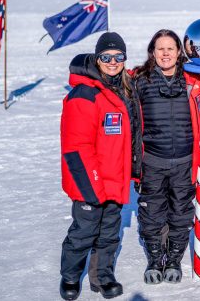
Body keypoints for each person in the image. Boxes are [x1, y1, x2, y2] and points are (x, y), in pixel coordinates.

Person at [59, 32, 142, 300]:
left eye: (118, 57)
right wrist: (92, 185)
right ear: (97, 59)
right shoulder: (85, 94)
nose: (113, 61)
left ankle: (102, 276)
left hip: (115, 180)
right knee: (83, 233)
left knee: (108, 234)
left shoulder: (124, 90)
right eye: (106, 56)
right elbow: (76, 147)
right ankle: (70, 277)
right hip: (90, 181)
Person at [133, 29, 200, 284]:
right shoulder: (140, 80)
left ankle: (173, 259)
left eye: (170, 48)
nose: (165, 53)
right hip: (152, 161)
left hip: (184, 162)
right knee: (152, 213)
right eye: (160, 48)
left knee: (181, 213)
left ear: (178, 52)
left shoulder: (192, 80)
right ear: (153, 51)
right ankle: (154, 258)